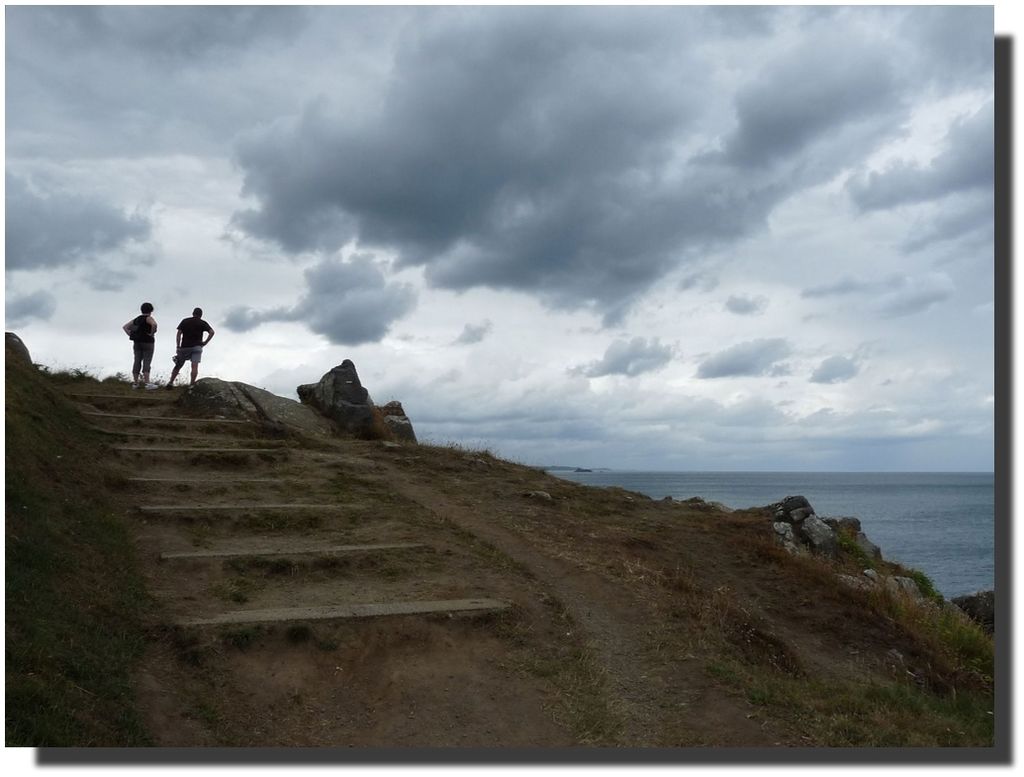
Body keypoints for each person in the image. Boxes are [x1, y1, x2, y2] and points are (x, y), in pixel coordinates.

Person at [166, 307, 215, 389]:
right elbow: (212, 332)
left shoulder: (185, 321)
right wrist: (205, 342)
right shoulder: (202, 323)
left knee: (178, 365)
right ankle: (191, 385)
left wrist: (178, 346)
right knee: (194, 366)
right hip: (197, 347)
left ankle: (170, 382)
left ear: (193, 313)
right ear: (201, 315)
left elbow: (179, 334)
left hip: (185, 347)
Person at [122, 302, 158, 389]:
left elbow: (125, 327)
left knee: (137, 360)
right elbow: (154, 324)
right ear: (151, 310)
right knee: (147, 361)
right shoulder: (149, 318)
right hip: (148, 342)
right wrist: (151, 333)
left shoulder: (137, 319)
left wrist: (131, 335)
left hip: (137, 342)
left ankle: (135, 383)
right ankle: (147, 383)